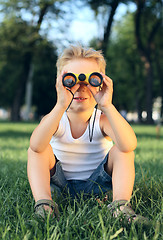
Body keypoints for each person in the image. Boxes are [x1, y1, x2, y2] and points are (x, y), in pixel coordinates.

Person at [27, 45, 148, 224]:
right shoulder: (54, 119)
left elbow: (129, 145)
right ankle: (45, 207)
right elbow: (36, 146)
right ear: (60, 82)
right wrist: (61, 104)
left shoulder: (103, 120)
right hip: (60, 186)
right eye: (71, 80)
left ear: (101, 83)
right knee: (37, 150)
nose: (80, 88)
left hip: (98, 186)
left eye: (91, 81)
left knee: (122, 150)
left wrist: (107, 105)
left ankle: (120, 207)